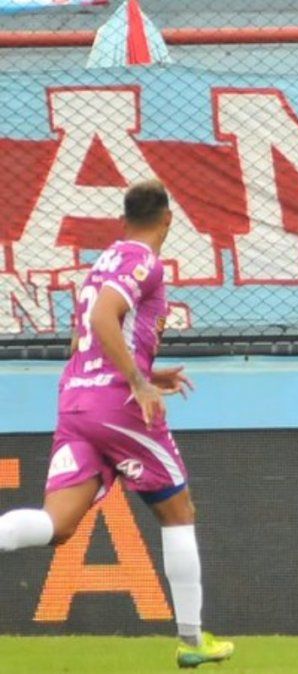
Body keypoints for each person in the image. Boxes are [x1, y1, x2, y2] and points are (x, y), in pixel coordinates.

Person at [0, 180, 234, 668]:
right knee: (179, 511)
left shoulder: (101, 264)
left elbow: (81, 340)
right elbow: (107, 318)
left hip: (76, 402)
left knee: (56, 525)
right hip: (117, 405)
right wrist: (137, 382)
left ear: (122, 220)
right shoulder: (142, 261)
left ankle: (193, 640)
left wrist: (149, 372)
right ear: (167, 219)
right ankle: (192, 641)